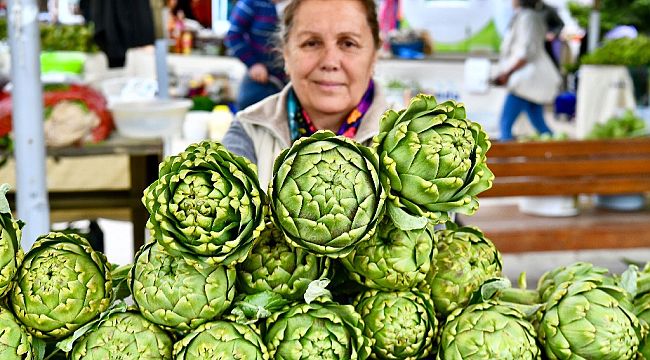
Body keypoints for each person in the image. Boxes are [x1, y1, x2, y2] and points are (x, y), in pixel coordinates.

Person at [222, 0, 388, 188]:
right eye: (311, 43)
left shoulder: (415, 138)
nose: (330, 61)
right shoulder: (249, 132)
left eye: (348, 43)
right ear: (285, 53)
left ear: (374, 54)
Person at [494, 0, 561, 141]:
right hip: (529, 79)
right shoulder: (529, 16)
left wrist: (507, 73)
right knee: (539, 123)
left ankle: (506, 160)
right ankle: (558, 154)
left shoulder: (527, 17)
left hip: (525, 79)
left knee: (505, 122)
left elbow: (527, 51)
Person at [224, 0, 289, 111]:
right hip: (261, 78)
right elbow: (233, 35)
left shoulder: (298, 4)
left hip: (290, 79)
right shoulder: (251, 3)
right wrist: (253, 64)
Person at [537, 1, 564, 69]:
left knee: (551, 64)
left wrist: (553, 33)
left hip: (546, 43)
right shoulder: (527, 9)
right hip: (534, 42)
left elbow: (560, 24)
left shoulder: (549, 10)